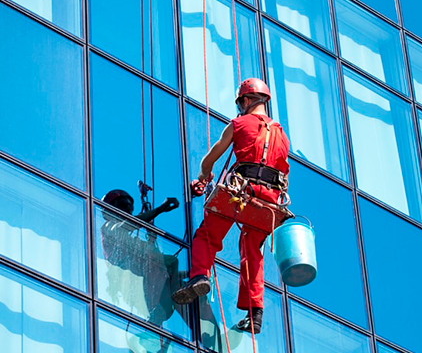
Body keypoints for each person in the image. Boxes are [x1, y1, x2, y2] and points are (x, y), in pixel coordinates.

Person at [172, 78, 290, 334]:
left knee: (207, 235)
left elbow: (210, 158)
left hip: (241, 192)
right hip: (268, 201)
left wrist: (205, 176)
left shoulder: (238, 124)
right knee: (252, 250)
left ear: (246, 100)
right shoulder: (282, 136)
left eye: (241, 102)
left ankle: (200, 276)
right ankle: (255, 313)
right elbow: (283, 173)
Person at [100, 189, 182, 325]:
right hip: (129, 263)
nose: (127, 208)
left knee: (172, 261)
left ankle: (172, 298)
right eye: (122, 204)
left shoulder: (128, 238)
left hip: (139, 262)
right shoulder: (109, 227)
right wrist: (160, 209)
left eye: (129, 206)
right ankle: (159, 308)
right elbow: (129, 225)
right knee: (158, 263)